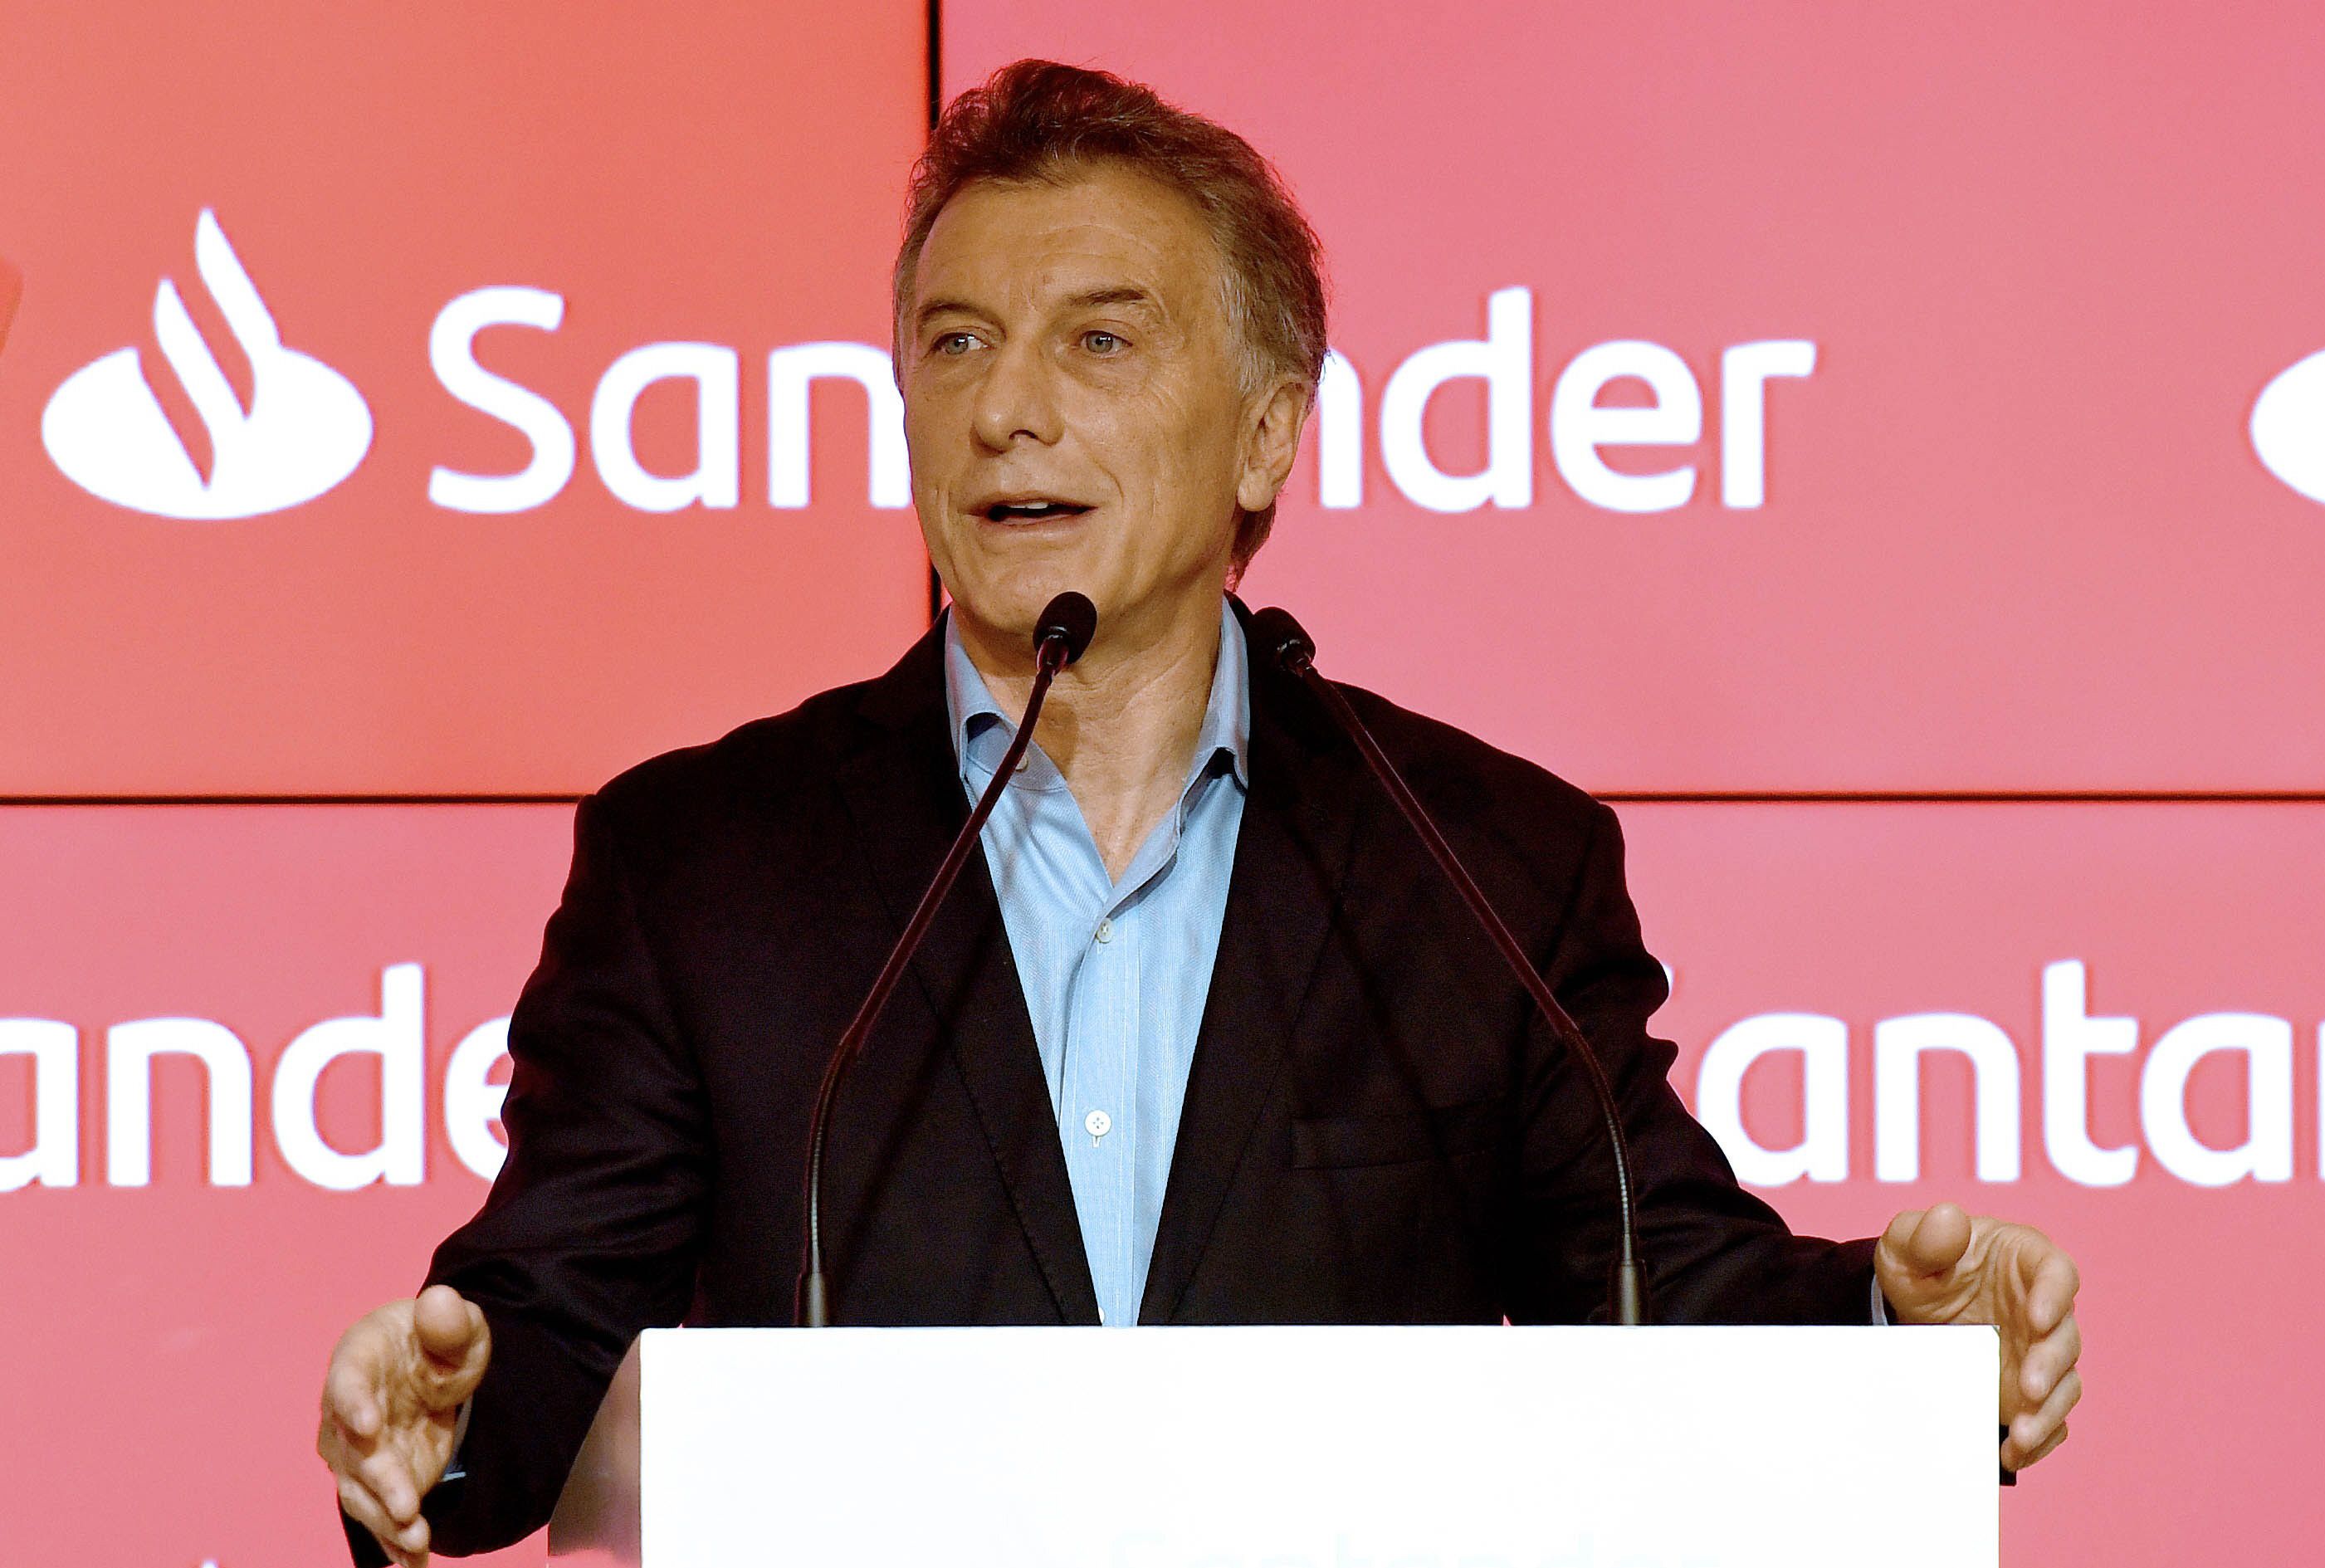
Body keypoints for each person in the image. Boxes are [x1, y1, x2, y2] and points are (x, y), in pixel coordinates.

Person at [317, 61, 2083, 1566]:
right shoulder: (704, 862)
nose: (1006, 409)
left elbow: (1658, 1294)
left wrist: (1902, 1347)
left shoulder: (1479, 866)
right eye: (955, 344)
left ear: (1263, 438)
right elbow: (545, 1324)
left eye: (1098, 340)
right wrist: (439, 1420)